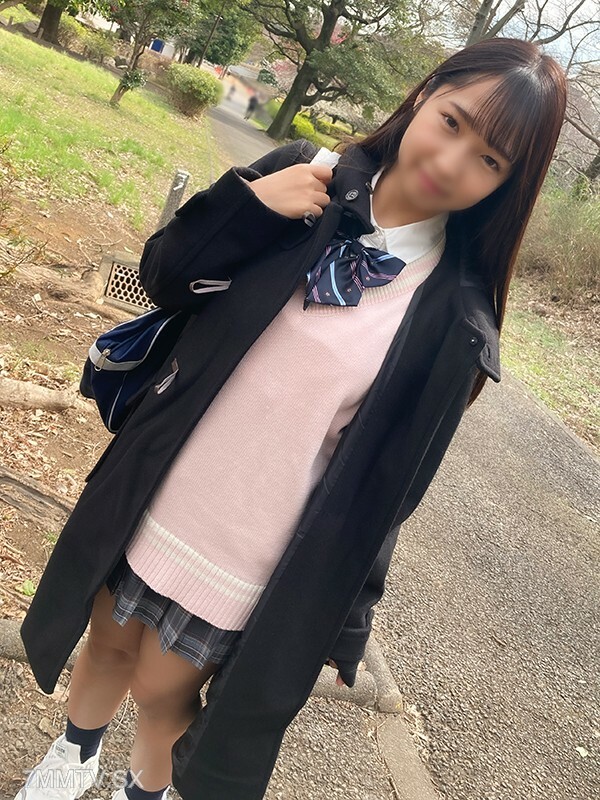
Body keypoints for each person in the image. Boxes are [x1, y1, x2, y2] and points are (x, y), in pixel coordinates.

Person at [14, 37, 566, 800]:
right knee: (105, 642)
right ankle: (71, 759)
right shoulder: (304, 174)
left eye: (490, 160)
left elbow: (388, 489)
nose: (452, 161)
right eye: (453, 122)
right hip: (154, 481)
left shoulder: (454, 323)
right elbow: (164, 277)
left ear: (505, 186)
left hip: (248, 545)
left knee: (163, 694)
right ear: (423, 95)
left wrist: (349, 615)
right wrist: (247, 208)